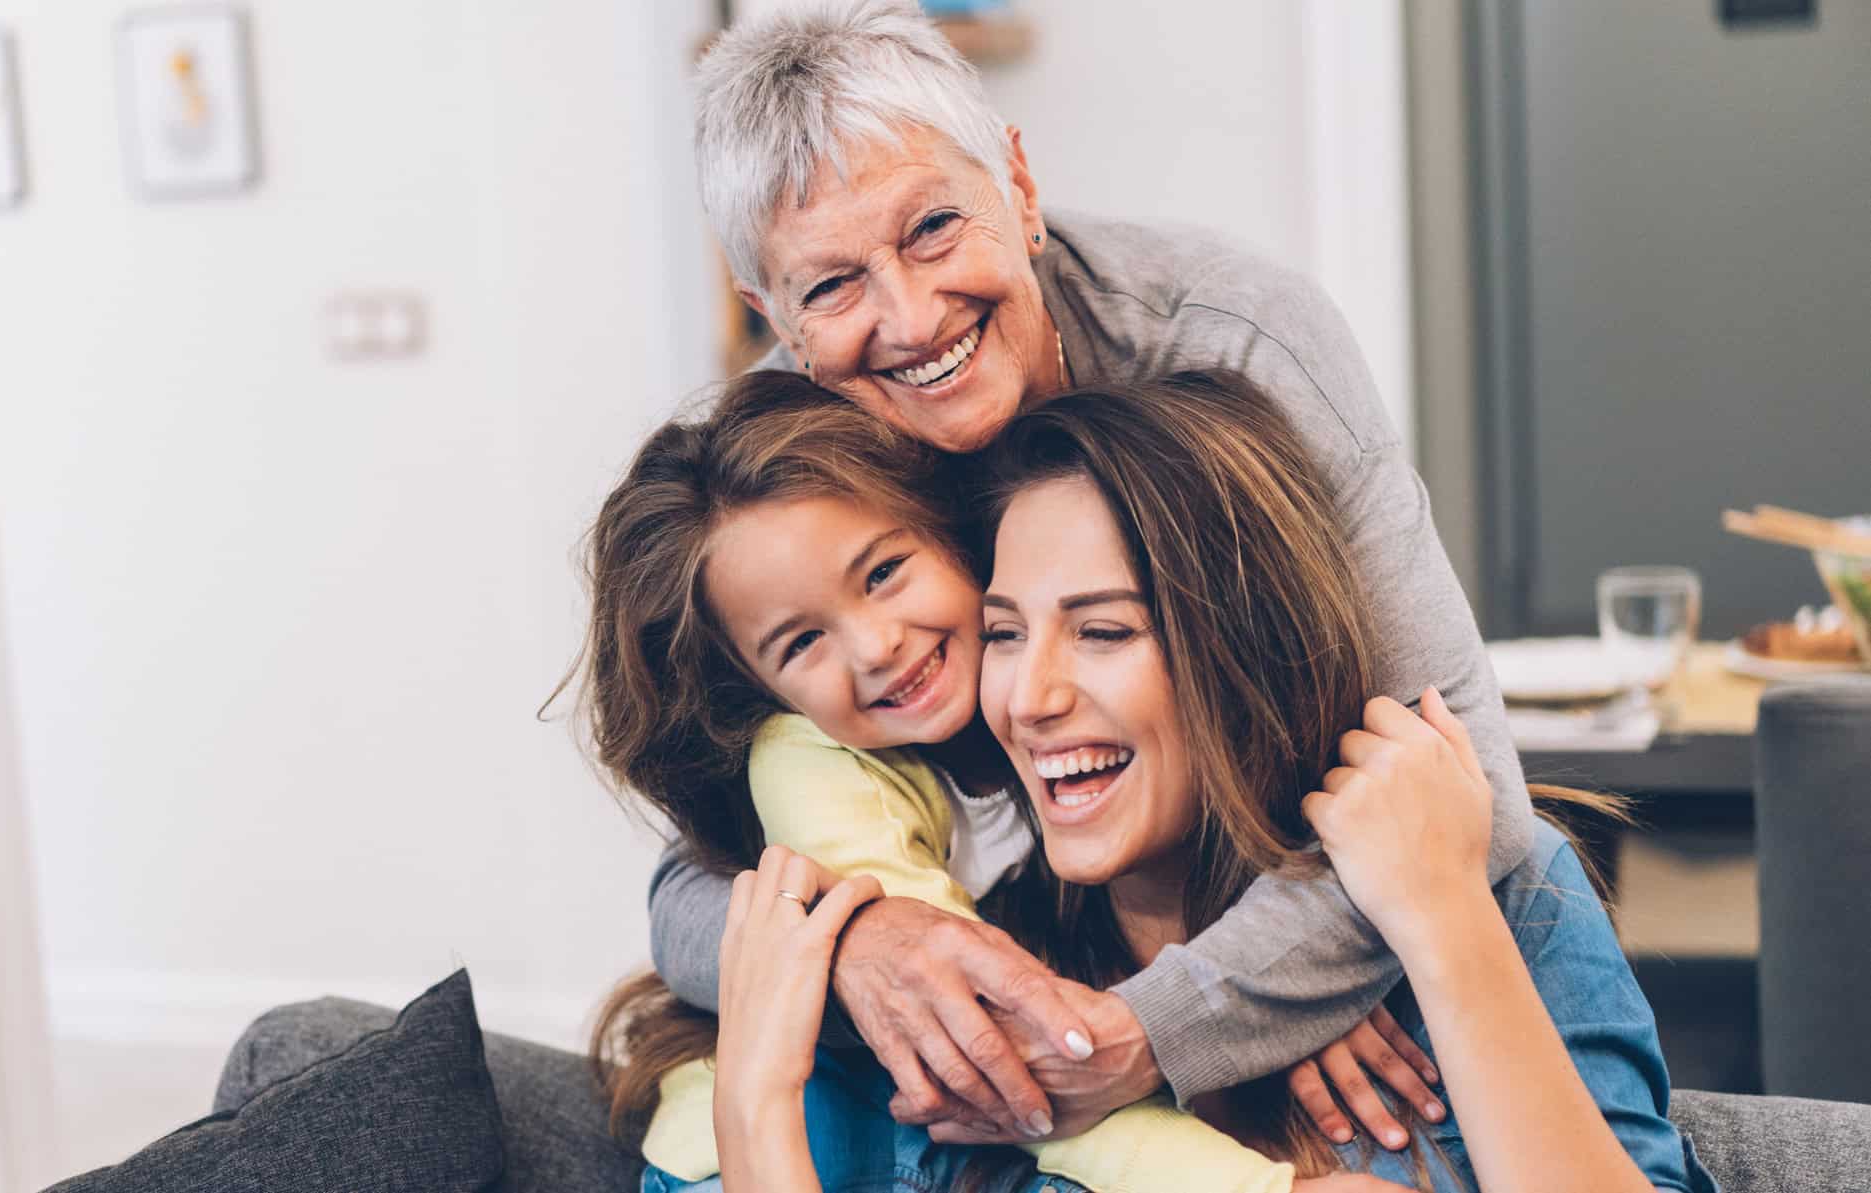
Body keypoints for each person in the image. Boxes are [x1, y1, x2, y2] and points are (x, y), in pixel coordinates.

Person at [650, 0, 1531, 1150]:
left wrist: (1169, 1016)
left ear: (1017, 186)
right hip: (1039, 972)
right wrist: (859, 942)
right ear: (774, 319)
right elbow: (686, 889)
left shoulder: (1236, 343)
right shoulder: (781, 468)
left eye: (930, 228)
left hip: (1284, 950)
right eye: (831, 288)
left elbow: (1473, 793)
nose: (910, 319)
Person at [694, 375, 1707, 1192]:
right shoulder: (1008, 982)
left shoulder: (1507, 898)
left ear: (1246, 652)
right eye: (1004, 632)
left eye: (1103, 630)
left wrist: (1441, 921)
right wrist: (753, 1106)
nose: (1029, 696)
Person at [577, 371, 1359, 1191]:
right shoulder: (815, 769)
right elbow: (990, 1047)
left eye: (881, 573)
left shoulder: (1038, 709)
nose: (876, 645)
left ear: (950, 534)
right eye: (801, 642)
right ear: (761, 691)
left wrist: (1293, 998)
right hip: (781, 1153)